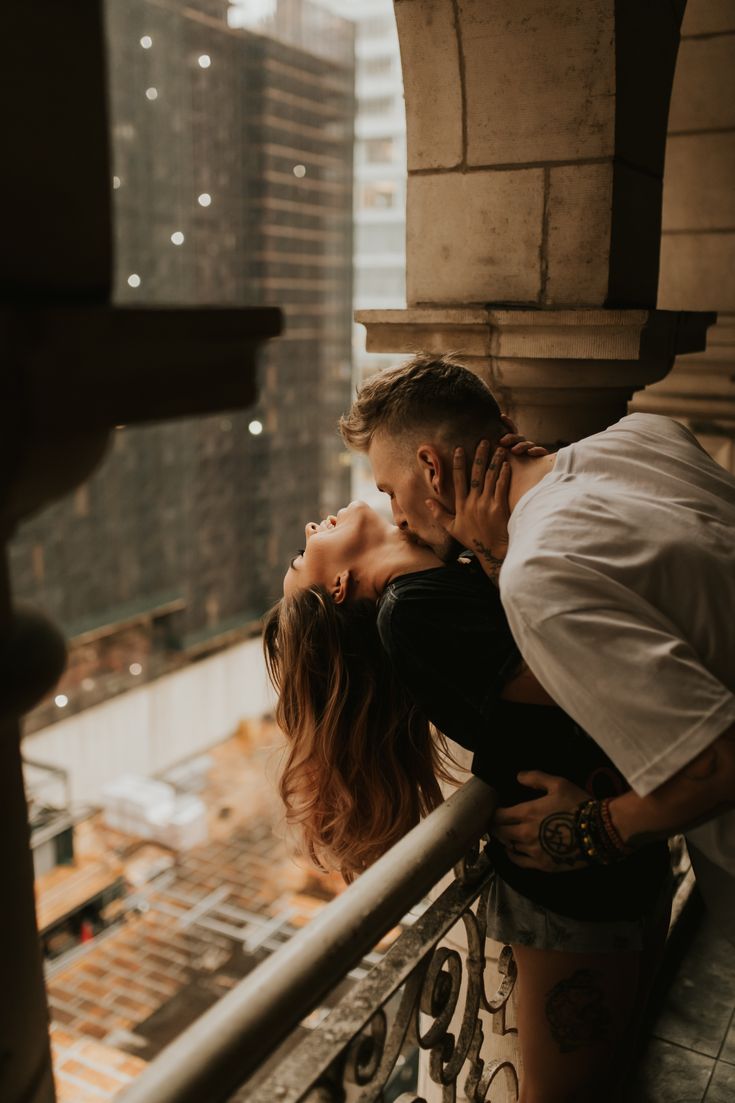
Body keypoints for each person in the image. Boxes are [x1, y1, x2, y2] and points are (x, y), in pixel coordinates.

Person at [264, 498, 672, 1102]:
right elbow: (588, 671)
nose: (306, 523)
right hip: (573, 880)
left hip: (606, 848)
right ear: (341, 586)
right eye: (304, 557)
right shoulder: (410, 612)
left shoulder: (438, 586)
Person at [339, 352, 735, 943]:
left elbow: (716, 765)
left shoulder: (538, 572)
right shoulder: (649, 433)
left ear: (431, 467)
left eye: (392, 491)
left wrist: (588, 831)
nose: (397, 517)